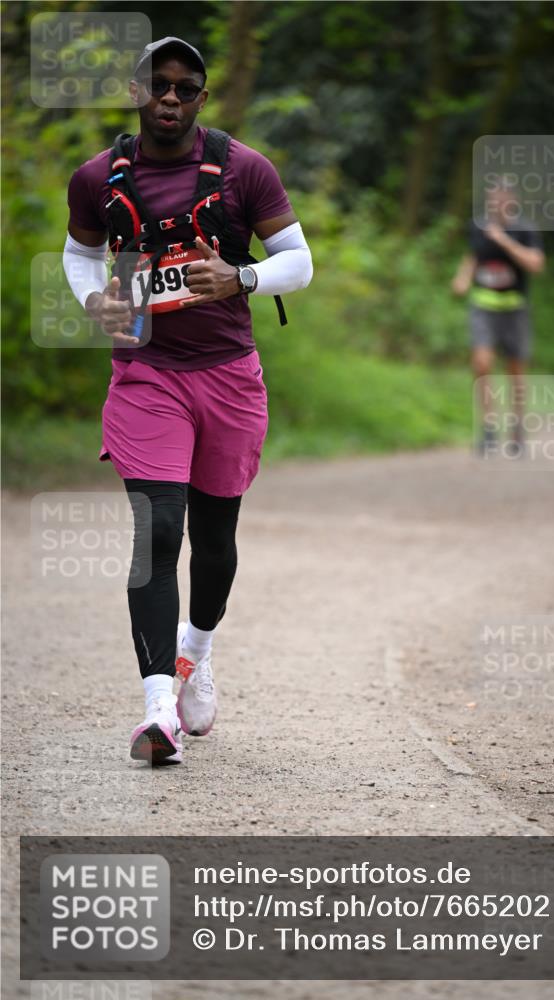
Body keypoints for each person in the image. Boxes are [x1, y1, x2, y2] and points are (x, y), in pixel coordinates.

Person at [63, 37, 313, 765]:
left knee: (214, 540)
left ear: (201, 98)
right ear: (135, 91)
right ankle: (157, 710)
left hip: (228, 375)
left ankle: (195, 653)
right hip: (146, 376)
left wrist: (242, 277)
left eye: (183, 88)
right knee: (158, 532)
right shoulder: (97, 179)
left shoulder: (243, 169)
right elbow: (81, 254)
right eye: (155, 85)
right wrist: (94, 302)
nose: (168, 99)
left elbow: (297, 261)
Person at [452, 180, 545, 457]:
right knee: (482, 364)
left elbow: (536, 264)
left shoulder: (525, 230)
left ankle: (517, 429)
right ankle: (488, 428)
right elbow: (473, 257)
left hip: (514, 308)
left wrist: (504, 240)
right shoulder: (478, 226)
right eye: (492, 199)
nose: (496, 204)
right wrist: (462, 278)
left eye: (501, 199)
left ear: (512, 201)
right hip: (483, 306)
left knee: (515, 370)